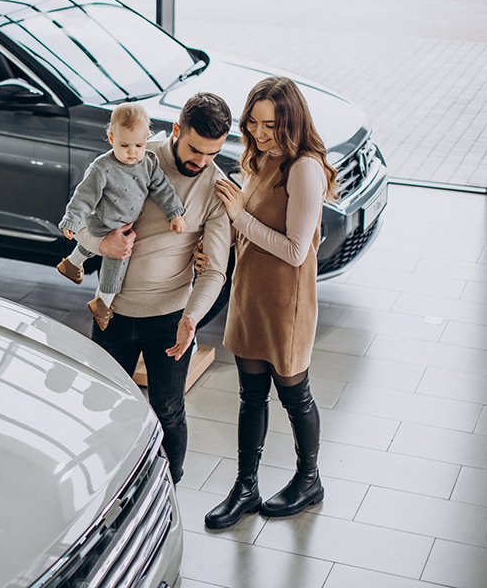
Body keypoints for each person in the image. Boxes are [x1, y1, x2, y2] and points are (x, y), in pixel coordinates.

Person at [200, 76, 339, 529]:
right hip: (250, 290)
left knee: (294, 394)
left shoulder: (303, 169)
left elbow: (297, 251)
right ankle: (246, 486)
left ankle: (308, 479)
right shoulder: (260, 158)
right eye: (254, 123)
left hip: (286, 301)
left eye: (270, 125)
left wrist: (240, 214)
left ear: (292, 121)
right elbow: (250, 229)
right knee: (250, 395)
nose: (259, 134)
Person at [75, 93, 233, 484]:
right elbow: (79, 225)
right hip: (113, 311)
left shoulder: (216, 187)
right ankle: (105, 482)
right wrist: (102, 245)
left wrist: (192, 318)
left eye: (212, 153)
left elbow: (214, 272)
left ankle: (169, 485)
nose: (201, 162)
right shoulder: (129, 155)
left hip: (169, 318)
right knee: (102, 403)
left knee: (168, 409)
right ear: (176, 131)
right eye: (195, 149)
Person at [57, 103, 187, 330]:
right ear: (110, 138)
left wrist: (174, 213)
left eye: (139, 144)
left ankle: (71, 264)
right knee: (118, 258)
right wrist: (72, 219)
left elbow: (163, 188)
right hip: (103, 222)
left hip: (119, 222)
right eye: (124, 145)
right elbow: (84, 197)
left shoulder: (148, 162)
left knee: (91, 249)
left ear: (148, 138)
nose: (132, 151)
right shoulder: (102, 168)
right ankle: (103, 304)